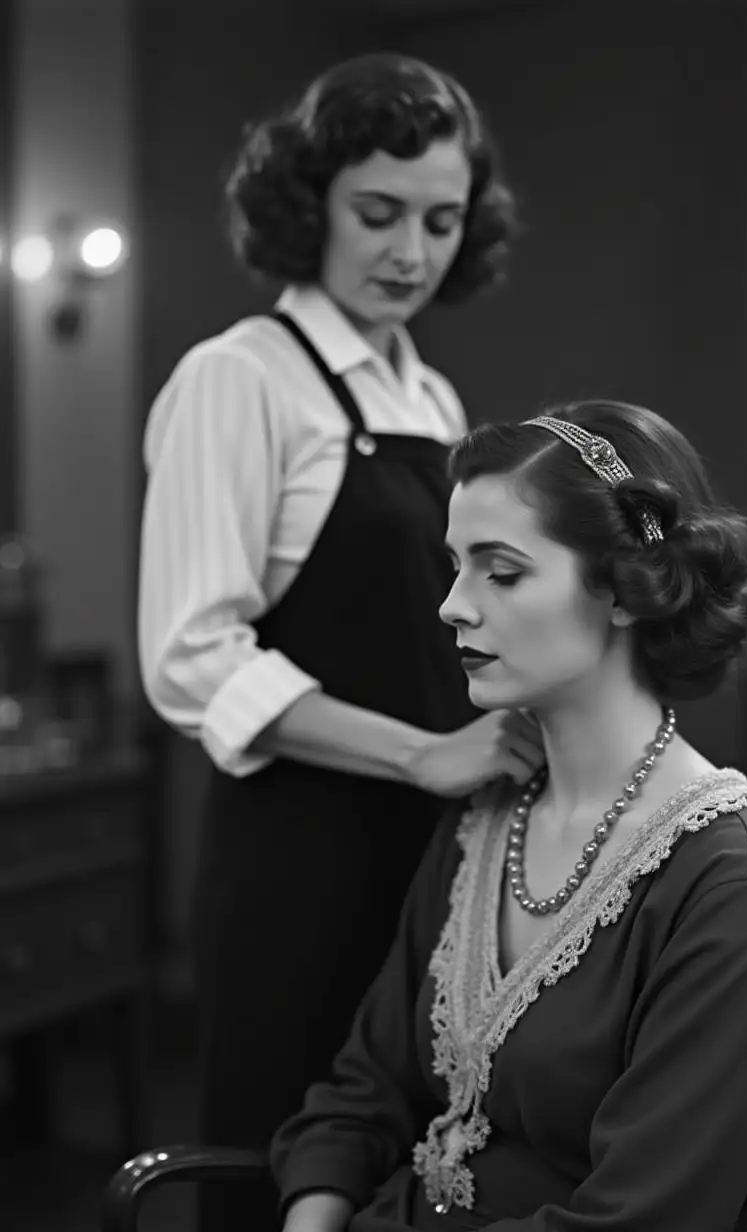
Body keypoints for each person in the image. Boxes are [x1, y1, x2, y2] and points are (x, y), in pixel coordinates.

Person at [137, 53, 544, 1232]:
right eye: (378, 214)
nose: (410, 251)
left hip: (431, 858)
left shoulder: (435, 400)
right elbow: (193, 655)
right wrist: (423, 752)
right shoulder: (238, 379)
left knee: (407, 1163)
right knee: (282, 1158)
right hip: (296, 860)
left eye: (440, 219)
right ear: (307, 202)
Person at [270, 400, 747, 1232]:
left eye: (503, 571)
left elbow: (647, 1220)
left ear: (631, 589)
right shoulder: (488, 819)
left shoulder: (732, 879)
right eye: (454, 566)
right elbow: (361, 1092)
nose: (454, 605)